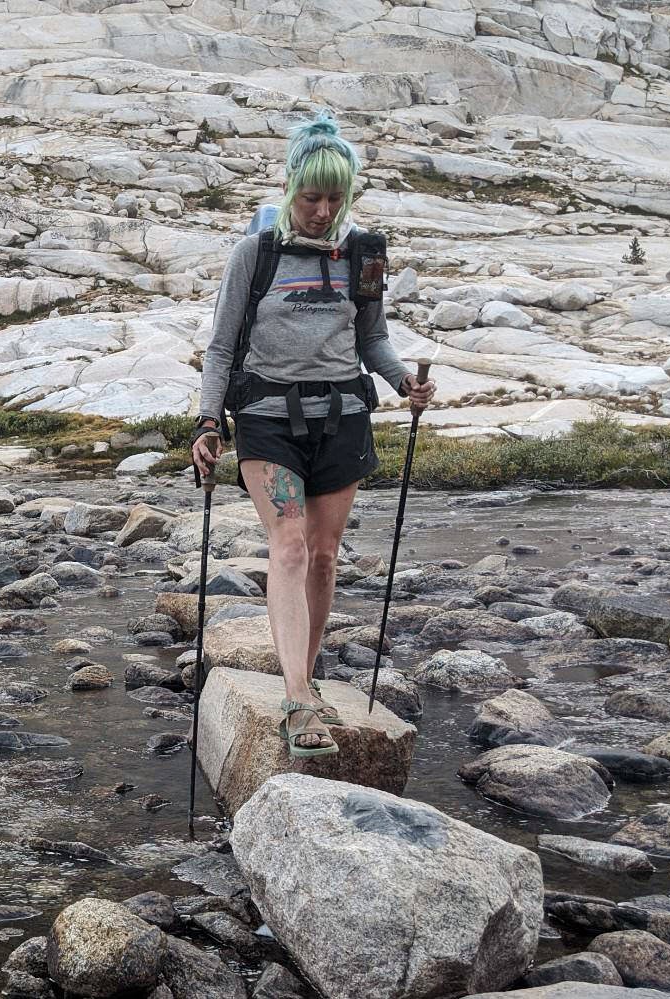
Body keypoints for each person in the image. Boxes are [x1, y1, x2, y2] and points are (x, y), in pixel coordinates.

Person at [190, 114, 436, 759]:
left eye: (335, 198)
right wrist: (209, 423)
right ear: (290, 188)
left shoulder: (366, 253)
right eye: (311, 197)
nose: (323, 210)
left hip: (342, 419)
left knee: (325, 556)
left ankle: (309, 670)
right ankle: (298, 698)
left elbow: (371, 337)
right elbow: (221, 346)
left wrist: (403, 379)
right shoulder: (256, 252)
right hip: (268, 418)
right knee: (291, 546)